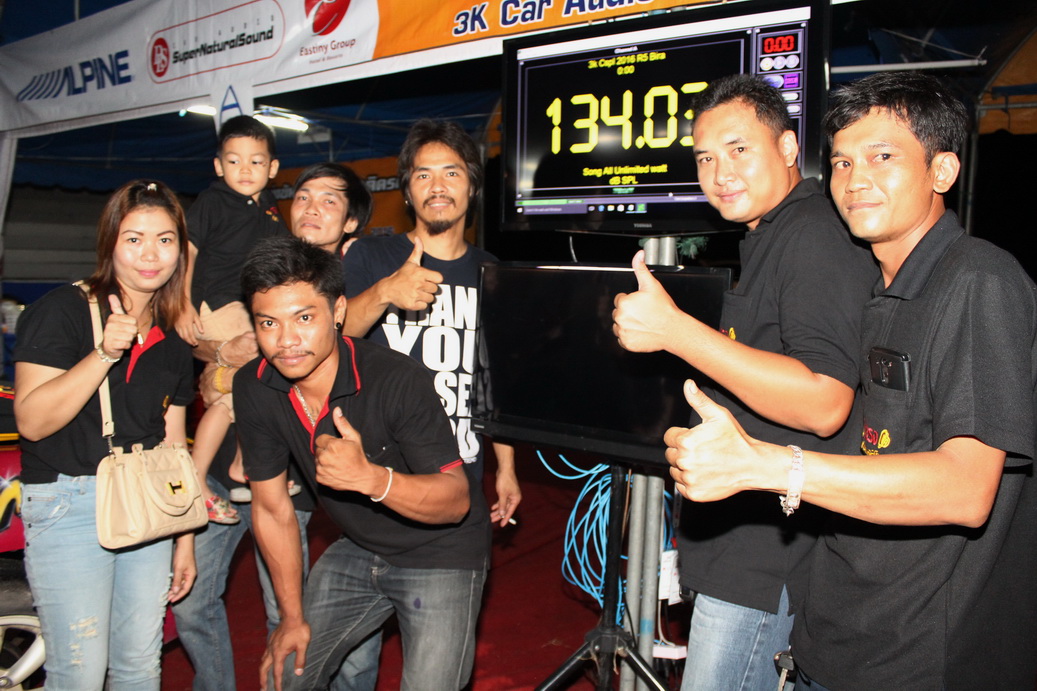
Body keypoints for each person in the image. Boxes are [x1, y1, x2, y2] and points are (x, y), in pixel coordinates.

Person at [663, 71, 1037, 690]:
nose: (855, 179)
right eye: (842, 161)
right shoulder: (884, 290)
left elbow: (965, 489)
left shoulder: (978, 280)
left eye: (882, 157)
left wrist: (768, 465)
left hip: (919, 658)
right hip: (840, 633)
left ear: (942, 171)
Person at [612, 74, 876, 690]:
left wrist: (676, 331)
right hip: (744, 543)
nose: (720, 172)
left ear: (788, 148)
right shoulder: (770, 235)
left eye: (738, 149)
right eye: (705, 157)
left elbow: (824, 400)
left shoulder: (814, 234)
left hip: (766, 557)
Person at [236, 236, 490, 691]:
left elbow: (456, 501)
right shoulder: (255, 386)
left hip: (442, 551)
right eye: (268, 323)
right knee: (285, 675)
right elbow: (272, 509)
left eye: (305, 318)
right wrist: (290, 618)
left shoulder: (396, 379)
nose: (286, 340)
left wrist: (371, 479)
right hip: (359, 545)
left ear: (338, 311)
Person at [172, 162, 375, 691]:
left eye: (329, 200)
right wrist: (223, 357)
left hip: (292, 479)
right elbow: (207, 343)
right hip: (223, 468)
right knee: (191, 603)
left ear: (351, 221)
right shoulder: (261, 265)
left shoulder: (358, 284)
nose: (311, 208)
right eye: (303, 197)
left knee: (285, 613)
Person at [13, 179, 197, 689]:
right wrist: (104, 353)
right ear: (110, 243)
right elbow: (32, 421)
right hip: (70, 502)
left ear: (181, 250)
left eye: (164, 239)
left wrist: (184, 536)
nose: (150, 254)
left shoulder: (173, 338)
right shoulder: (63, 310)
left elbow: (173, 445)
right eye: (134, 238)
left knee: (139, 667)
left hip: (149, 503)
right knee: (80, 673)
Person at [341, 119, 521, 529]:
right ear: (408, 191)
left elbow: (495, 382)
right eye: (423, 175)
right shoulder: (371, 256)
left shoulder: (492, 271)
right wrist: (384, 291)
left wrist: (506, 467)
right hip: (377, 475)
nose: (437, 187)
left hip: (461, 477)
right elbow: (333, 339)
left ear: (472, 187)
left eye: (451, 173)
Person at [176, 114, 288, 524]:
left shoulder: (269, 209)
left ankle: (242, 464)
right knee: (244, 381)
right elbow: (187, 250)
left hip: (248, 308)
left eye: (256, 161)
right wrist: (184, 304)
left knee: (243, 388)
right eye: (234, 161)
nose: (245, 170)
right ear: (218, 165)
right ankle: (200, 475)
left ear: (272, 168)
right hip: (216, 304)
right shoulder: (212, 201)